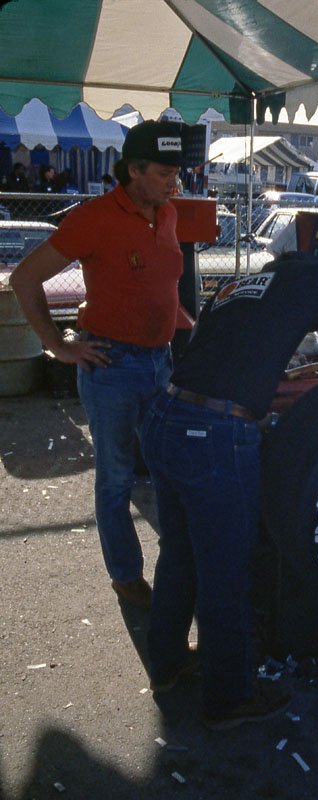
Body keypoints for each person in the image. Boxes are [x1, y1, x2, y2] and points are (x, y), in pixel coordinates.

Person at [140, 249, 318, 729]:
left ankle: (167, 667)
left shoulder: (237, 289)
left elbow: (237, 355)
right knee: (227, 572)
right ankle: (228, 698)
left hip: (165, 418)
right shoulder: (315, 277)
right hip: (212, 433)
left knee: (180, 555)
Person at [10, 120, 186, 609]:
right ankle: (127, 579)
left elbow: (161, 281)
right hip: (111, 365)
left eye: (178, 172)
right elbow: (25, 279)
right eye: (166, 172)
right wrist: (59, 346)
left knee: (170, 470)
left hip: (160, 364)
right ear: (134, 170)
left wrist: (183, 319)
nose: (175, 182)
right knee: (116, 478)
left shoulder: (167, 213)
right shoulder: (93, 218)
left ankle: (178, 571)